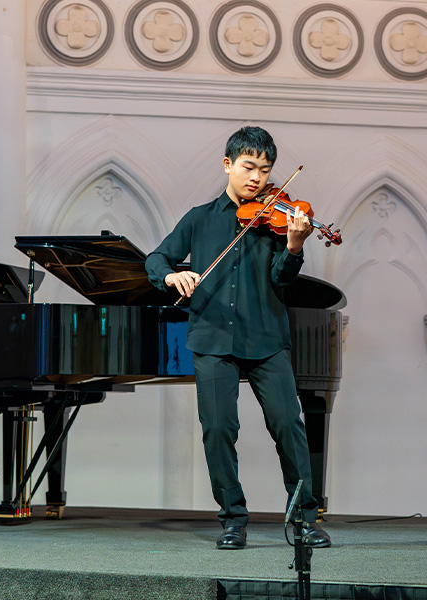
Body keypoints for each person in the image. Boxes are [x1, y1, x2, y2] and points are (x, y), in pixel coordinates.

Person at [145, 126, 331, 549]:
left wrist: (296, 245)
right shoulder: (199, 218)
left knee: (288, 425)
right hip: (211, 338)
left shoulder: (275, 218)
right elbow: (157, 258)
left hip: (266, 336)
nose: (257, 178)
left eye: (265, 171)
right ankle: (233, 519)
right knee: (218, 428)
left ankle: (304, 519)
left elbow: (282, 278)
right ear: (227, 164)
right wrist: (172, 274)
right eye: (249, 167)